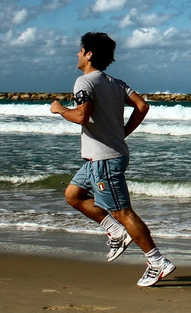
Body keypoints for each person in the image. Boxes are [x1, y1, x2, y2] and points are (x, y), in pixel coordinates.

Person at [50, 31, 175, 287]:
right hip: (99, 159)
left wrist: (60, 109)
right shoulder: (116, 83)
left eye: (80, 50)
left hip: (104, 160)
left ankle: (156, 260)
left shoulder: (84, 83)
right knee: (73, 195)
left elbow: (82, 116)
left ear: (89, 54)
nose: (77, 54)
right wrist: (123, 132)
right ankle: (114, 230)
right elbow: (142, 106)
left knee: (123, 212)